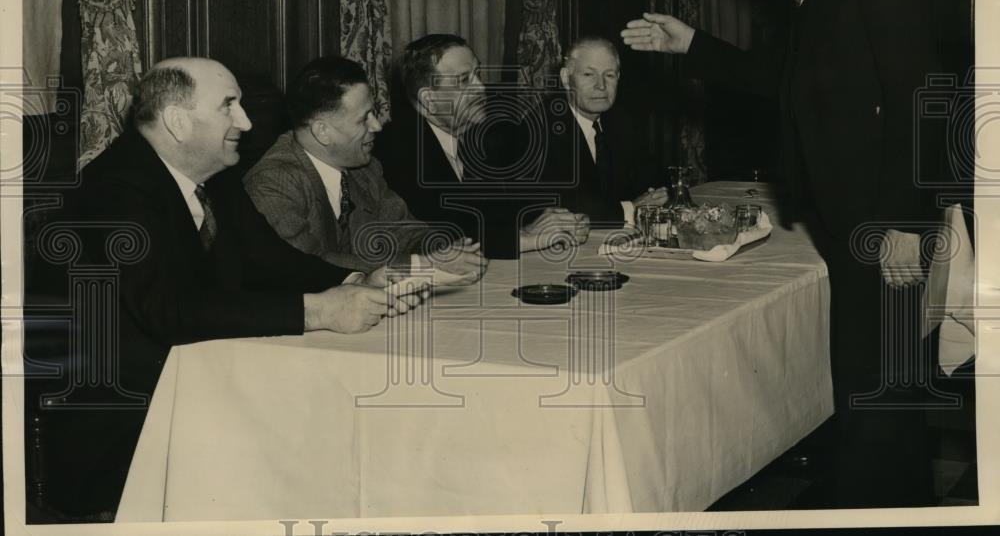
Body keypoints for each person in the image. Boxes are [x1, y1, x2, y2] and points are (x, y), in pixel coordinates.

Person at [621, 0, 941, 508]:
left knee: (876, 388)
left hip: (879, 222)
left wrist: (907, 225)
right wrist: (694, 45)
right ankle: (894, 509)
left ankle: (878, 515)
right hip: (849, 217)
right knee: (870, 385)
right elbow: (790, 82)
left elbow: (922, 102)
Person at [29, 58, 434, 519]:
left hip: (192, 380)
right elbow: (169, 312)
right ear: (178, 122)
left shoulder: (214, 177)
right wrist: (318, 312)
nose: (245, 121)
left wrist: (353, 280)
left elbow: (269, 257)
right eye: (229, 107)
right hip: (117, 420)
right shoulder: (115, 192)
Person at [244, 56, 485, 277]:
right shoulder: (273, 182)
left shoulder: (365, 168)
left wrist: (441, 247)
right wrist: (420, 264)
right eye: (364, 119)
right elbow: (305, 263)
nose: (377, 126)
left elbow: (403, 229)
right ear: (322, 131)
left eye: (374, 113)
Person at [374, 34, 589, 258]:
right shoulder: (396, 150)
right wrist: (524, 236)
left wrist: (557, 220)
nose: (481, 87)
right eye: (464, 80)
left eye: (478, 74)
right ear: (429, 99)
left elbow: (509, 207)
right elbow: (441, 234)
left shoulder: (484, 135)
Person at [536, 36, 667, 224]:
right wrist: (632, 209)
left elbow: (651, 179)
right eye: (589, 75)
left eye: (609, 75)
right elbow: (563, 207)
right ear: (566, 78)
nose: (601, 85)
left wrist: (656, 196)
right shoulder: (543, 127)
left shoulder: (620, 121)